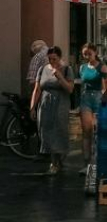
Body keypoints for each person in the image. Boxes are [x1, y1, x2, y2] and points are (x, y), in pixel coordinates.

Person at [31, 47, 74, 175]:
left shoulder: (67, 69)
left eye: (54, 58)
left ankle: (57, 161)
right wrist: (32, 107)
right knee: (46, 132)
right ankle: (54, 162)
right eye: (49, 59)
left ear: (60, 58)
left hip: (60, 104)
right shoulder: (42, 69)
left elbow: (70, 89)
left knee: (59, 131)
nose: (51, 61)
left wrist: (60, 76)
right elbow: (37, 89)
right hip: (45, 104)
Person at [77, 44, 107, 176]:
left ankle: (97, 163)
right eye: (85, 54)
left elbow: (106, 85)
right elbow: (82, 83)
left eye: (89, 53)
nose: (87, 56)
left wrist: (104, 98)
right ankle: (86, 164)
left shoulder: (102, 66)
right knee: (86, 131)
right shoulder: (82, 67)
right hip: (85, 98)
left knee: (97, 132)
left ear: (95, 52)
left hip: (97, 97)